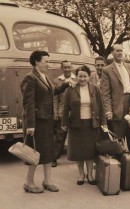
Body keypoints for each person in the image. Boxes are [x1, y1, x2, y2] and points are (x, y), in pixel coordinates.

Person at [21, 50, 76, 193]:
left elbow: (54, 91)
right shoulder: (30, 78)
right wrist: (31, 125)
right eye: (46, 61)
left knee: (48, 151)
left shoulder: (44, 76)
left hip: (46, 121)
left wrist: (65, 84)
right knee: (34, 152)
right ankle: (28, 182)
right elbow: (29, 103)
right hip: (37, 122)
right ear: (37, 62)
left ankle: (47, 180)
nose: (49, 64)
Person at [62, 65, 107, 185]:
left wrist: (104, 123)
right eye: (80, 76)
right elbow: (65, 108)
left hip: (92, 124)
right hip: (76, 125)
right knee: (78, 151)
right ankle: (81, 175)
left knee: (90, 151)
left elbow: (101, 107)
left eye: (84, 76)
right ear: (76, 77)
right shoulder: (71, 89)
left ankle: (90, 175)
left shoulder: (95, 89)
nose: (82, 79)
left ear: (89, 77)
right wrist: (64, 123)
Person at [101, 44, 130, 151]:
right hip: (117, 108)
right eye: (117, 51)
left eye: (121, 50)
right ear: (112, 53)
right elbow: (105, 93)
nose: (120, 53)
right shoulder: (107, 70)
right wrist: (108, 111)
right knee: (118, 140)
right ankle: (119, 164)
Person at [52, 60, 76, 167]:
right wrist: (55, 112)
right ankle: (54, 158)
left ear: (72, 68)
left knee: (77, 135)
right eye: (65, 67)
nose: (67, 69)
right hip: (62, 112)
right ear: (61, 68)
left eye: (69, 67)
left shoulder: (78, 79)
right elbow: (55, 98)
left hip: (75, 112)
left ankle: (78, 157)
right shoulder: (57, 81)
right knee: (60, 136)